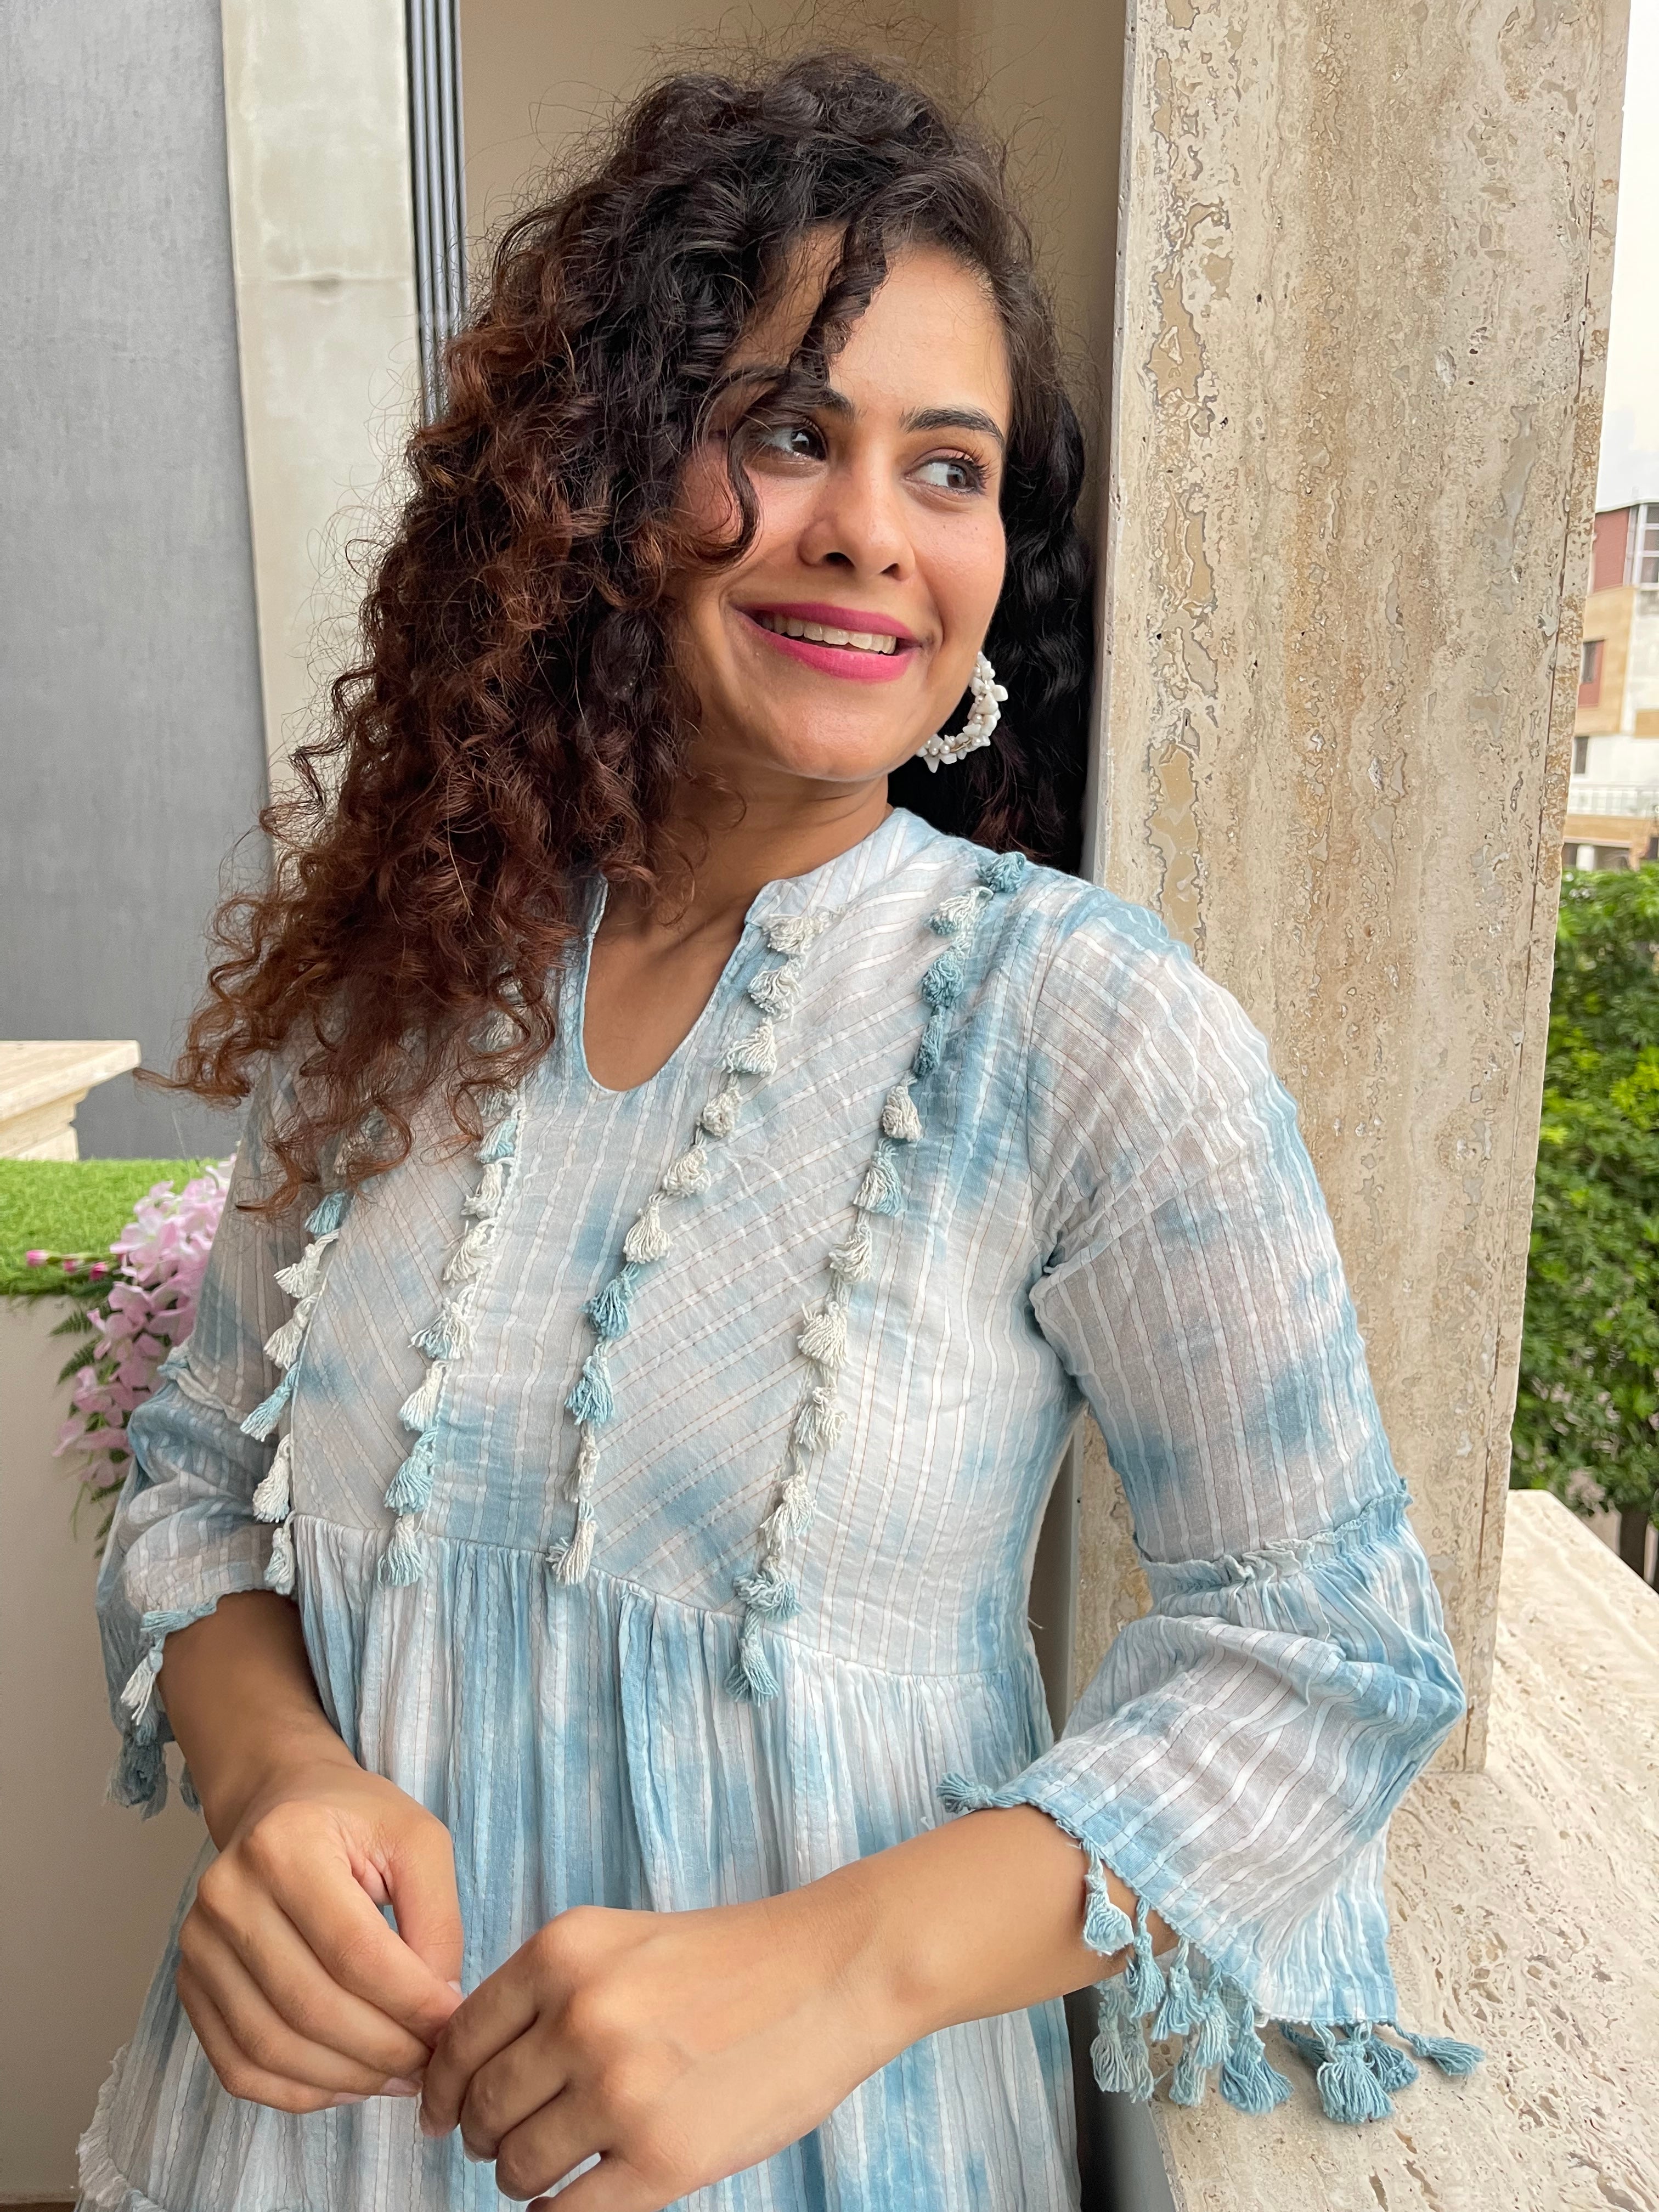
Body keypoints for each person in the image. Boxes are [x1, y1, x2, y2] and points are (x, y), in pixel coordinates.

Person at [80, 52, 1477, 2212]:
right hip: (292, 2149)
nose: (871, 534)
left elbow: (1327, 1656)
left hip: (832, 2163)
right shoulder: (409, 979)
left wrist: (838, 1973)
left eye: (951, 469)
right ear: (606, 475)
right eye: (791, 433)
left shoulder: (1079, 1030)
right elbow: (197, 1484)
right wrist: (273, 1785)